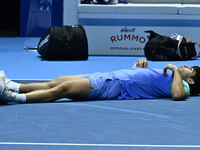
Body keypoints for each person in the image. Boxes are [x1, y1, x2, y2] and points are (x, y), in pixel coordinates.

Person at [0, 59, 199, 104]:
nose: (185, 66)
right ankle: (12, 85)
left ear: (190, 81)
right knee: (57, 80)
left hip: (114, 85)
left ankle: (12, 97)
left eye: (190, 70)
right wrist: (138, 67)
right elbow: (142, 79)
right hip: (111, 75)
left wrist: (174, 70)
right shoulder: (172, 78)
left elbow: (178, 95)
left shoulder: (181, 85)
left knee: (63, 89)